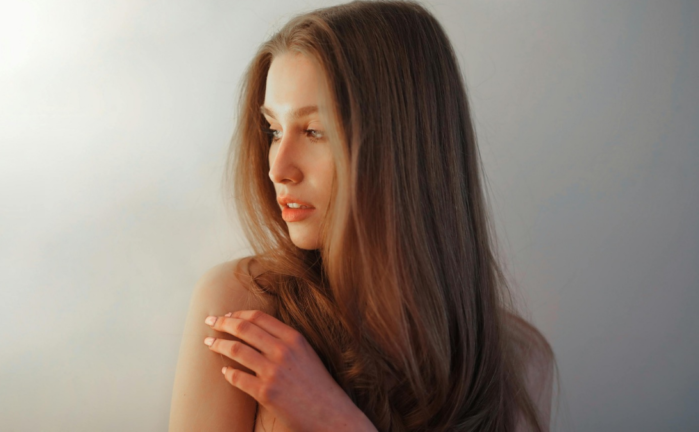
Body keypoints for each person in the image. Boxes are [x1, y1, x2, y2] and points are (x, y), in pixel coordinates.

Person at [168, 1, 559, 431]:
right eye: (274, 131)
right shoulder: (241, 307)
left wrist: (333, 419)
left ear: (402, 148)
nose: (278, 168)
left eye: (314, 131)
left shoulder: (516, 363)